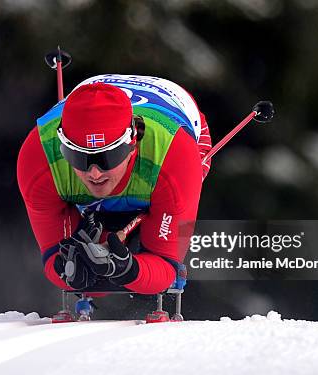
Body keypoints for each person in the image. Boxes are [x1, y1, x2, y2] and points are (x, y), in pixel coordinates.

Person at [17, 74, 212, 294]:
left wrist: (128, 269)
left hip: (176, 108)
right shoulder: (39, 161)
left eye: (108, 157)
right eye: (78, 158)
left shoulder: (175, 156)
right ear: (63, 149)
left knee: (161, 221)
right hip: (92, 88)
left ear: (132, 144)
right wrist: (70, 271)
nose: (95, 173)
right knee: (87, 267)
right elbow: (52, 256)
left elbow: (167, 267)